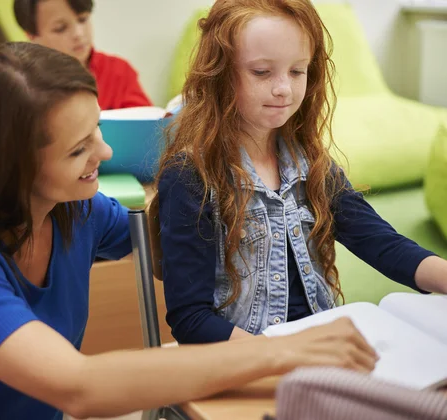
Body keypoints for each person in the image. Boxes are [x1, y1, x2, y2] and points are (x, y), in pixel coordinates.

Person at [0, 42, 378, 420]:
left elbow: (174, 246)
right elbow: (79, 387)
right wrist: (279, 352)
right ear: (11, 167)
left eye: (98, 130)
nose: (105, 155)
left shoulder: (78, 214)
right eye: (78, 149)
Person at [152, 0, 447, 344]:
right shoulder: (191, 176)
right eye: (262, 72)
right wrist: (282, 354)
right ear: (219, 74)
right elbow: (191, 319)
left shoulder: (310, 161)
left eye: (297, 71)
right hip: (248, 358)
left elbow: (379, 241)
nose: (284, 89)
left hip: (319, 345)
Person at [13, 0, 152, 110]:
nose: (78, 34)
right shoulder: (22, 84)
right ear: (32, 36)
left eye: (83, 19)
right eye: (60, 29)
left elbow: (147, 129)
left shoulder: (119, 71)